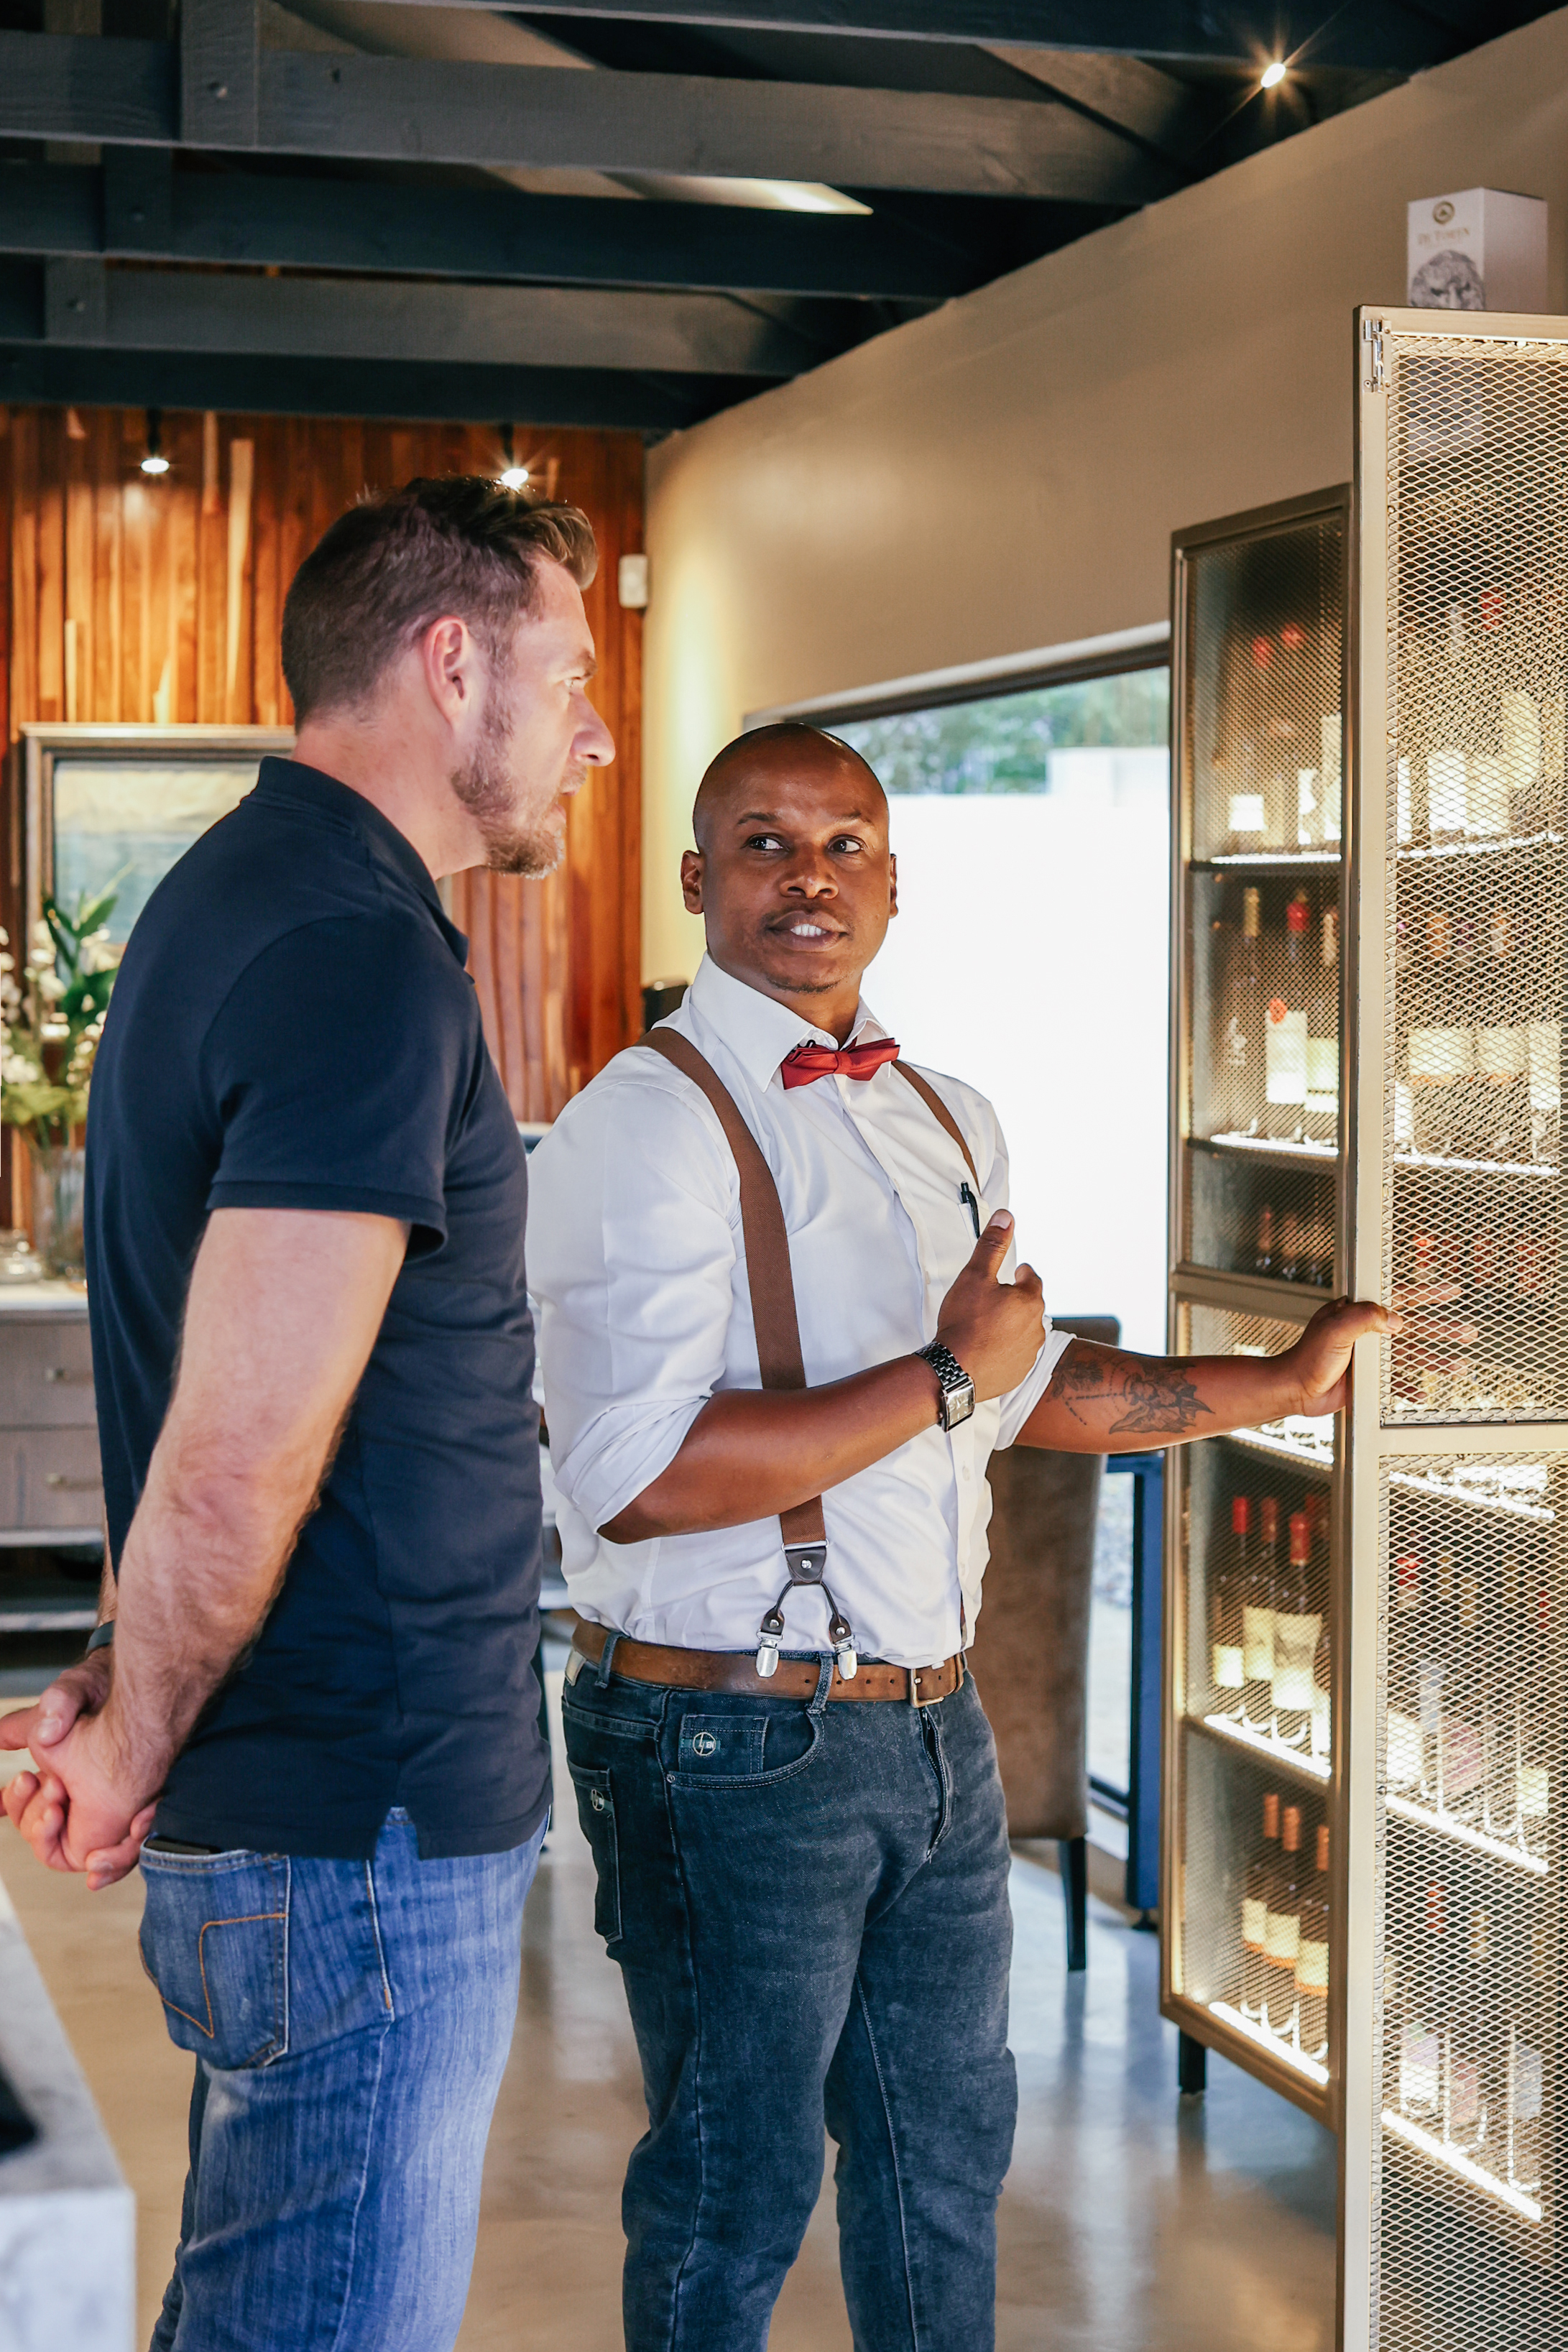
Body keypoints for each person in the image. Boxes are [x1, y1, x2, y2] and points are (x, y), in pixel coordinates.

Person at [525, 721, 1398, 2352]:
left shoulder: (945, 1113)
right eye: (768, 843)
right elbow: (635, 1472)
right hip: (725, 1733)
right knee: (732, 2188)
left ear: (893, 881)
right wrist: (941, 1374)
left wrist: (1275, 1382)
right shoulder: (637, 1124)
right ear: (699, 876)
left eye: (845, 842)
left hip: (934, 1727)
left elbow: (1019, 1386)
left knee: (941, 2171)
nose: (810, 875)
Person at [0, 476, 614, 2351]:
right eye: (569, 673)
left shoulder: (241, 900)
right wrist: (138, 1728)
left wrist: (124, 1675)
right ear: (449, 664)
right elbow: (245, 1436)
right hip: (362, 1827)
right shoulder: (351, 958)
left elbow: (188, 1383)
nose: (595, 730)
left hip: (331, 1820)